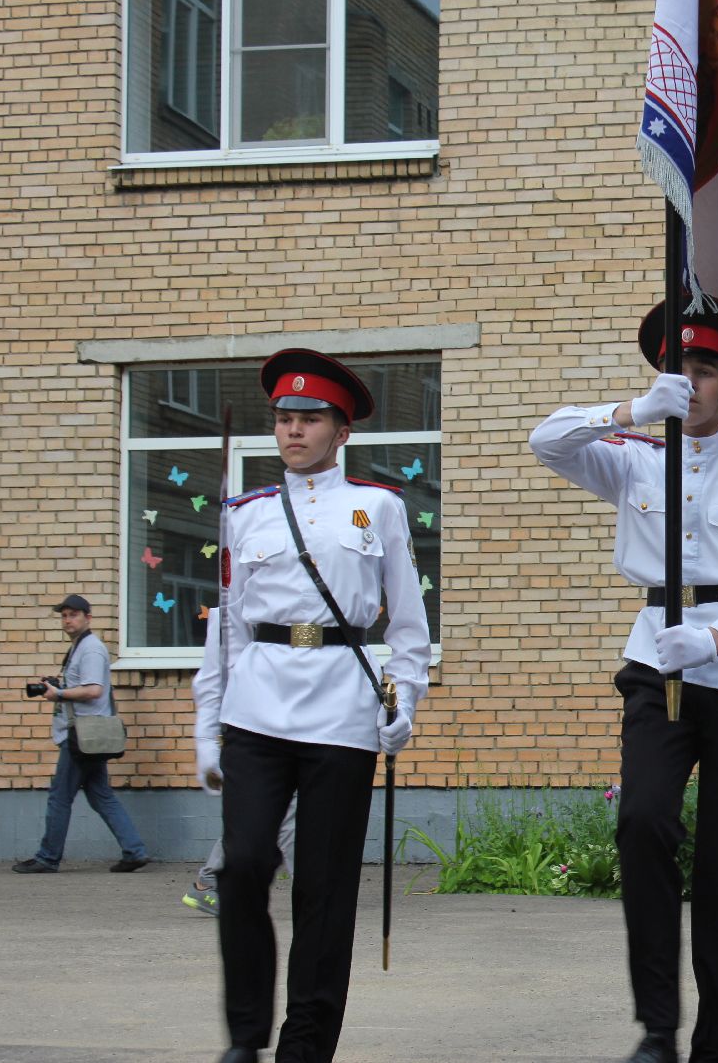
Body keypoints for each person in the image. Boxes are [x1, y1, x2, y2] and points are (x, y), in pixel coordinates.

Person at [529, 297, 718, 1063]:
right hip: (655, 661)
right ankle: (657, 1026)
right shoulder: (631, 455)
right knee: (643, 821)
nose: (687, 381)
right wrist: (630, 408)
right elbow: (544, 441)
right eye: (676, 367)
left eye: (704, 369)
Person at [196, 349, 430, 1063]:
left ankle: (305, 1048)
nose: (293, 431)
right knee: (240, 868)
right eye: (285, 418)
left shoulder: (379, 507)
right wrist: (208, 728)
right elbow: (228, 631)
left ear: (342, 430)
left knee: (323, 894)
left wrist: (406, 699)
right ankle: (244, 1038)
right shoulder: (245, 515)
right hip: (258, 709)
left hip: (341, 710)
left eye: (310, 419)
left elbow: (409, 621)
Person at [13, 594, 150, 874]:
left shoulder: (90, 649)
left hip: (82, 737)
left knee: (59, 797)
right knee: (101, 796)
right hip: (88, 736)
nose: (67, 620)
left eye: (73, 615)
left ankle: (47, 858)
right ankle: (134, 851)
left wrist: (59, 693)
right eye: (64, 615)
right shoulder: (80, 648)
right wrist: (57, 686)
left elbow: (93, 690)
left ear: (88, 617)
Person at [183, 613, 295, 918]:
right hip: (251, 722)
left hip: (279, 718)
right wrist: (208, 736)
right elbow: (213, 674)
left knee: (267, 809)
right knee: (279, 808)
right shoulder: (231, 606)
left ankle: (209, 881)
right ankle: (210, 882)